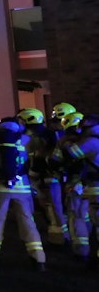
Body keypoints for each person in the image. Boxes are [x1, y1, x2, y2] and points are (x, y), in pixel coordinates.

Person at [0, 116, 46, 270]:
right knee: (27, 221)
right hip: (22, 187)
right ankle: (38, 258)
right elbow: (37, 158)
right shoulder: (25, 139)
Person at [17, 107, 68, 246]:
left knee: (54, 208)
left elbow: (40, 157)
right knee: (48, 208)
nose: (19, 124)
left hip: (48, 177)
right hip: (40, 177)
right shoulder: (39, 136)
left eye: (21, 120)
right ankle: (57, 237)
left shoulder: (43, 137)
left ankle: (63, 238)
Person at [51, 112, 90, 261]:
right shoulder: (89, 139)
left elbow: (55, 161)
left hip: (74, 183)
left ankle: (81, 251)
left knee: (76, 215)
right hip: (92, 183)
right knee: (88, 215)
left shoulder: (64, 141)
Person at [64, 113, 99, 268]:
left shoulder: (91, 142)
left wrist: (65, 143)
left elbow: (73, 153)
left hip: (94, 187)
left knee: (89, 219)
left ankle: (87, 255)